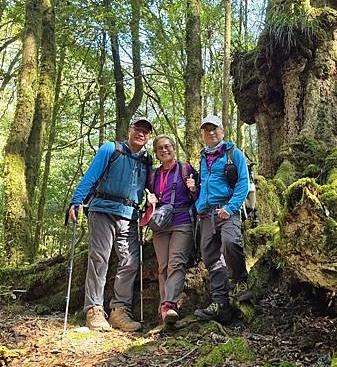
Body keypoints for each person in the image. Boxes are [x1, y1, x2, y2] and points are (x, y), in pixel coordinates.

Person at [68, 118, 152, 332]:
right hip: (102, 210)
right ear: (129, 130)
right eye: (137, 129)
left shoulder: (147, 161)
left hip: (129, 215)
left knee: (130, 262)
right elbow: (91, 176)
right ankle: (94, 309)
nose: (141, 133)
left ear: (149, 136)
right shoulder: (110, 149)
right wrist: (76, 201)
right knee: (99, 258)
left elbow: (150, 188)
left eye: (146, 131)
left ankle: (119, 311)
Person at [191, 114, 250, 323]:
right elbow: (206, 187)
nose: (211, 132)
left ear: (222, 131)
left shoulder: (234, 154)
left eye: (214, 128)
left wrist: (230, 207)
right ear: (203, 134)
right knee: (211, 259)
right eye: (207, 130)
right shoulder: (202, 158)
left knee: (231, 242)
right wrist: (195, 193)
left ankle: (241, 280)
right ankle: (220, 305)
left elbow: (243, 183)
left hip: (228, 210)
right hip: (206, 214)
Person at [145, 135, 198, 325]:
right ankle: (163, 308)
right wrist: (149, 202)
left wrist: (193, 189)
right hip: (160, 224)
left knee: (177, 262)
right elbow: (148, 199)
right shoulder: (153, 175)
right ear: (156, 153)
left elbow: (199, 197)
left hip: (182, 221)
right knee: (163, 266)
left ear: (174, 148)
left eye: (167, 146)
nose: (164, 150)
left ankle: (170, 304)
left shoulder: (186, 169)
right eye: (160, 148)